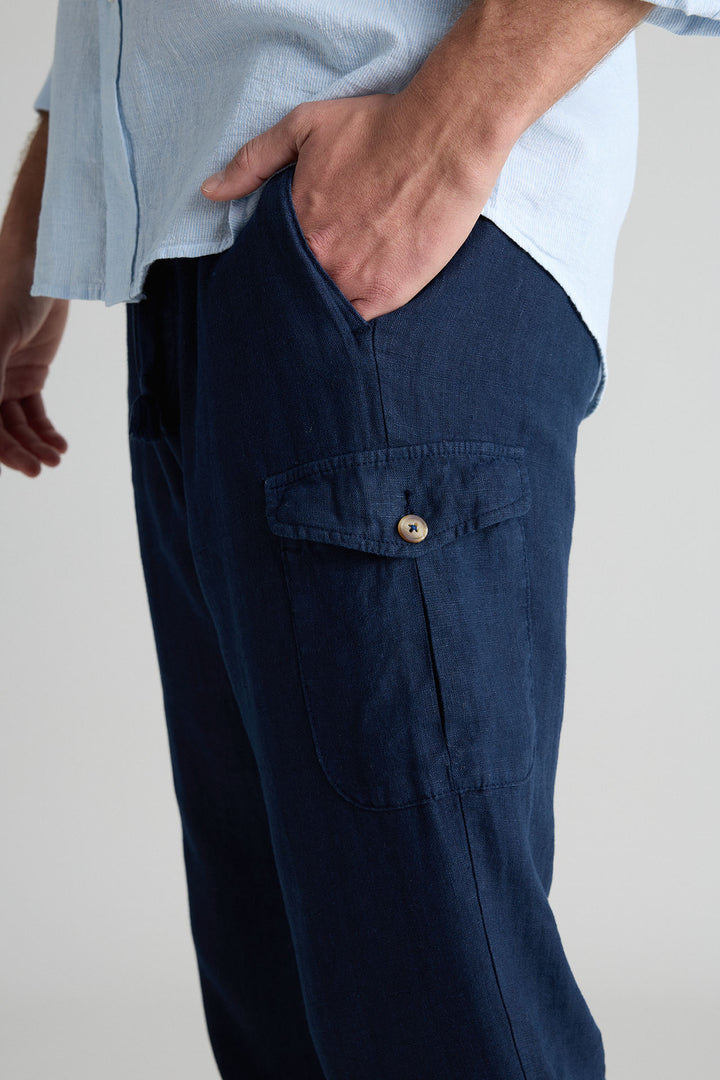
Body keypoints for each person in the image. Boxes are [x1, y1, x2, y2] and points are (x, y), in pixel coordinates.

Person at [1, 2, 718, 1077]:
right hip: (202, 252)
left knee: (441, 1022)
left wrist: (444, 134)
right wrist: (44, 222)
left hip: (381, 251)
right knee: (287, 1016)